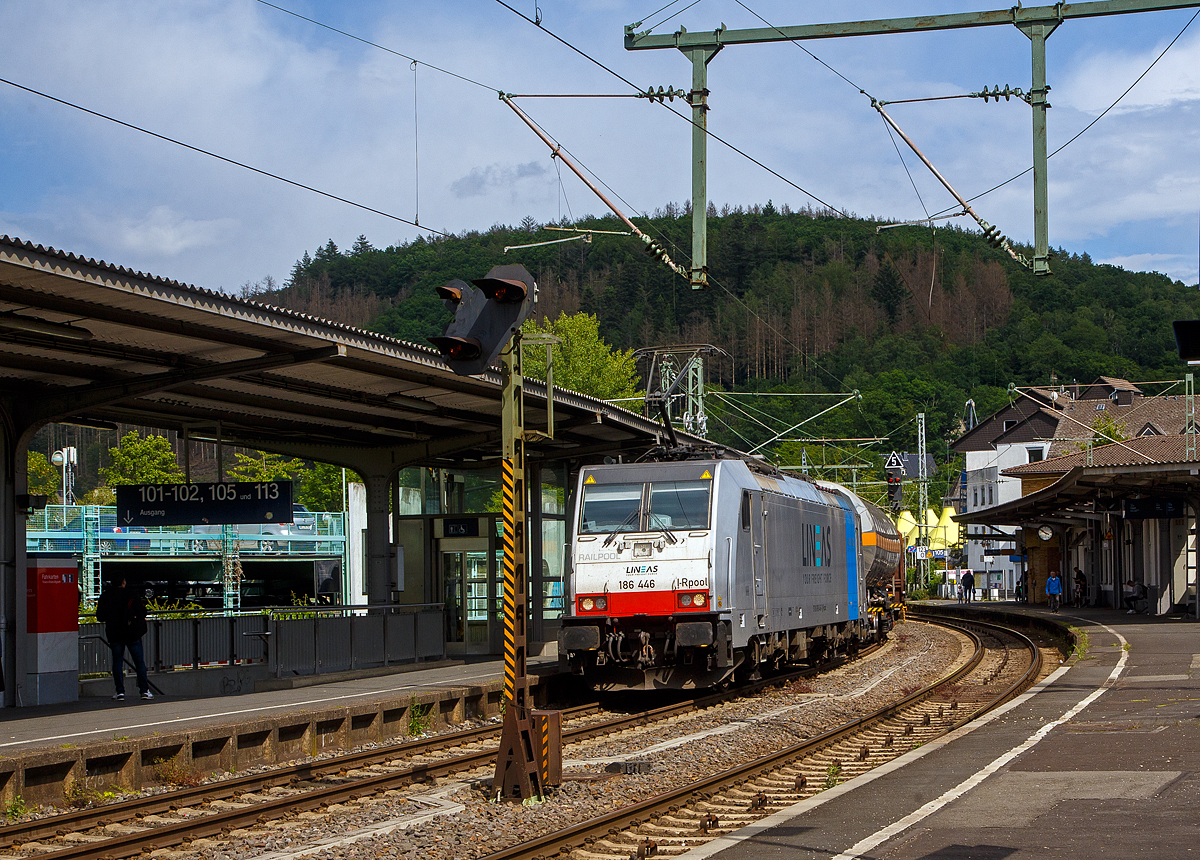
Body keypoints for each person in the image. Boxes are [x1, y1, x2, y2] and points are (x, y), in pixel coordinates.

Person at [96, 577, 152, 701]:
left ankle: (120, 692)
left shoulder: (106, 596)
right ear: (123, 582)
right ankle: (144, 691)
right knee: (139, 662)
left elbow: (100, 616)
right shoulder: (132, 594)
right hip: (132, 633)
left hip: (115, 633)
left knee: (117, 662)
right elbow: (142, 611)